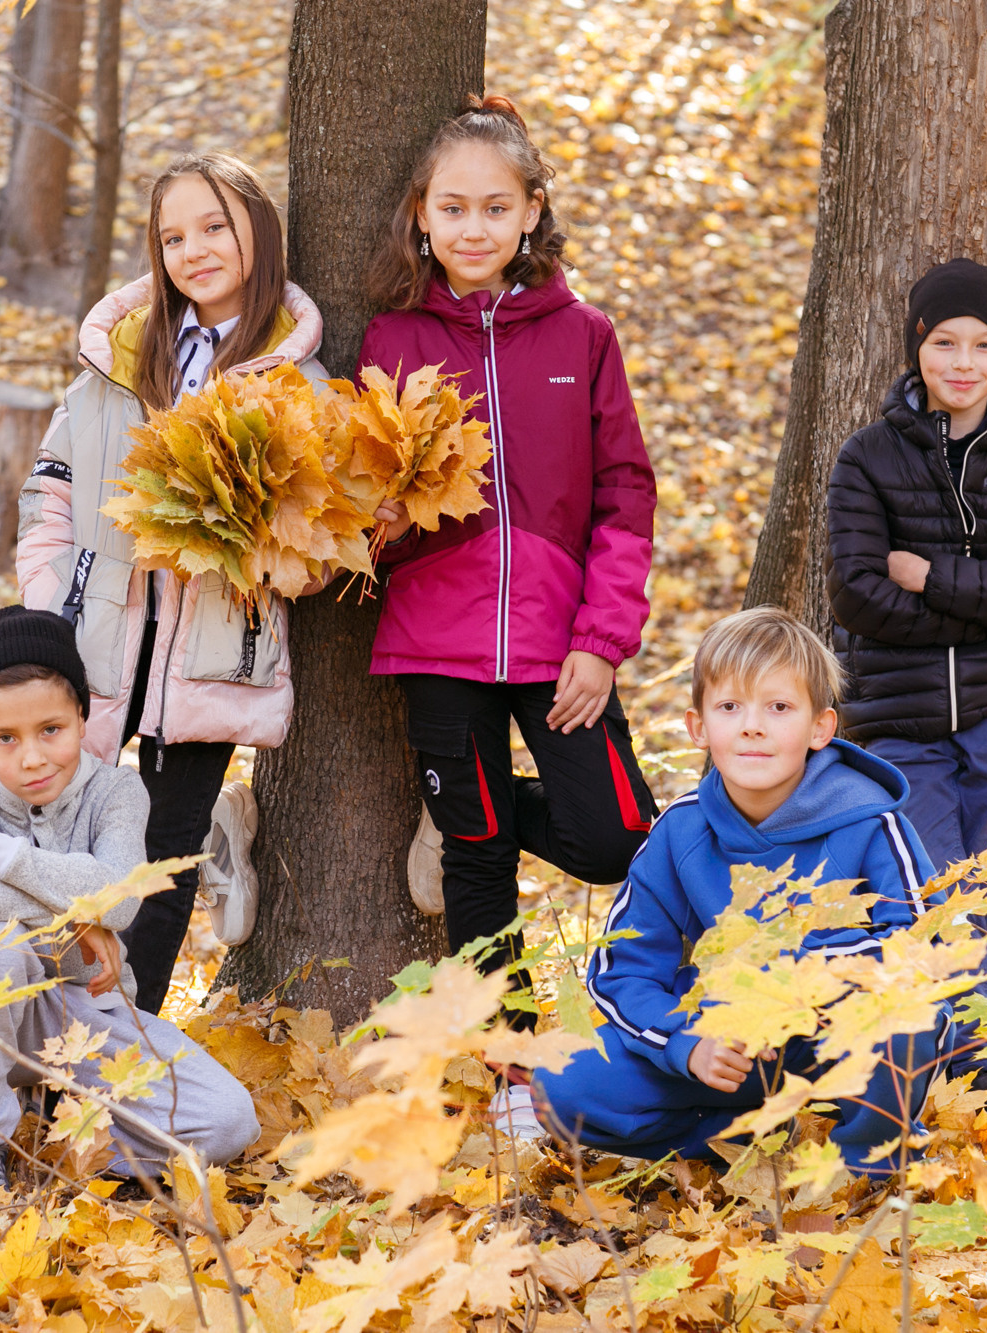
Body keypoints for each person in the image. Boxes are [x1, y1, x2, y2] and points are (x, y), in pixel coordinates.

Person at [357, 95, 660, 1133]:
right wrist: (381, 520)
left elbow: (625, 497)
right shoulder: (388, 341)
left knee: (619, 834)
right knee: (477, 862)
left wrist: (600, 642)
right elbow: (359, 510)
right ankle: (513, 1077)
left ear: (531, 212)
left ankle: (460, 813)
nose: (474, 226)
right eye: (453, 207)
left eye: (495, 206)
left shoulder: (584, 335)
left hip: (558, 645)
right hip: (433, 644)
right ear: (422, 217)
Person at [16, 151, 328, 1016]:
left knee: (160, 862)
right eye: (173, 235)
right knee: (61, 845)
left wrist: (252, 536)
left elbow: (316, 544)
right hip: (95, 646)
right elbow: (49, 489)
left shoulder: (297, 379)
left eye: (215, 226)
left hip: (210, 661)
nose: (194, 249)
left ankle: (121, 1054)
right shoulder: (117, 359)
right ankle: (32, 1047)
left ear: (258, 231)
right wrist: (55, 601)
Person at [531, 607, 955, 1177]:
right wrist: (687, 1045)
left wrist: (794, 973)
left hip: (839, 1038)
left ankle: (868, 1165)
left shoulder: (870, 822)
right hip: (732, 1047)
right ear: (699, 727)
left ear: (820, 728)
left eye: (778, 708)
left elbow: (921, 952)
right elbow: (622, 971)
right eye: (730, 707)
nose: (752, 726)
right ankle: (755, 1143)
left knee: (909, 1015)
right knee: (563, 1082)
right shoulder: (682, 831)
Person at [0, 607, 261, 1190]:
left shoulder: (117, 791)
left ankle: (54, 1128)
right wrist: (76, 914)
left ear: (83, 717)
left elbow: (119, 902)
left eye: (50, 730)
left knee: (227, 1125)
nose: (32, 758)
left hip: (79, 1008)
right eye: (4, 739)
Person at [826, 258, 987, 1083]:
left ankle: (960, 1059)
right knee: (931, 886)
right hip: (900, 718)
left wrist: (929, 573)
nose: (962, 362)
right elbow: (859, 595)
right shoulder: (866, 459)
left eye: (982, 344)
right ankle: (971, 1065)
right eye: (944, 342)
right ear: (916, 349)